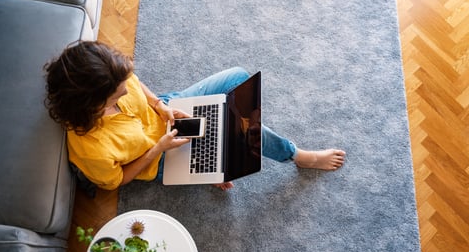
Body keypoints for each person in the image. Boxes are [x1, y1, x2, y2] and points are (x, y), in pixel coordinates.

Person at [44, 41, 345, 191]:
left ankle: (213, 158)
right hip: (159, 157)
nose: (126, 91)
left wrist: (159, 106)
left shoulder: (111, 77)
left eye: (124, 84)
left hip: (167, 111)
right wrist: (158, 148)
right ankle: (296, 155)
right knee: (235, 127)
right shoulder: (91, 150)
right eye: (118, 93)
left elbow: (135, 84)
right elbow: (119, 180)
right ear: (92, 100)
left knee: (238, 79)